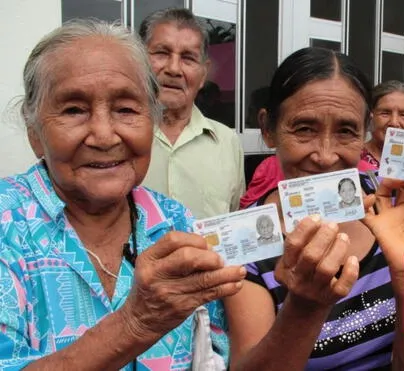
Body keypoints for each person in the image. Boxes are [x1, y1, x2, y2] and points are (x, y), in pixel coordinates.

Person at [0, 20, 247, 369]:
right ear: (34, 132)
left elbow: (213, 355)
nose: (104, 135)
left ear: (152, 121)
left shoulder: (177, 222)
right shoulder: (6, 225)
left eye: (126, 110)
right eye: (74, 110)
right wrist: (135, 323)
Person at [223, 47, 404, 370]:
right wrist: (303, 308)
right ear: (268, 129)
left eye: (345, 130)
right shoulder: (246, 242)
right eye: (304, 129)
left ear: (364, 132)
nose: (326, 156)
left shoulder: (392, 209)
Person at [139, 8, 245, 219]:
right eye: (162, 53)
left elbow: (233, 220)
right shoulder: (118, 137)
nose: (174, 69)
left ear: (203, 73)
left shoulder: (227, 142)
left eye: (188, 58)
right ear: (139, 60)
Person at [361, 80, 404, 170]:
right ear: (370, 117)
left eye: (403, 115)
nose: (394, 123)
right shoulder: (354, 160)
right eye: (385, 113)